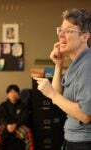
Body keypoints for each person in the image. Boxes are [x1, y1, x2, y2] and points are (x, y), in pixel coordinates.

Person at [34, 9, 91, 150]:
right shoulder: (76, 63)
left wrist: (51, 94)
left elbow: (85, 115)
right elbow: (58, 97)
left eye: (69, 31)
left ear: (85, 37)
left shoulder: (88, 65)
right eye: (61, 29)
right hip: (72, 138)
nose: (61, 35)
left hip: (84, 142)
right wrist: (58, 65)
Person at [0, 84, 34, 150]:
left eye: (15, 92)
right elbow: (0, 117)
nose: (13, 94)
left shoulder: (23, 105)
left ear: (18, 94)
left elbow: (25, 118)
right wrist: (7, 124)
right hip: (6, 125)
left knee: (28, 132)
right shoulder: (3, 105)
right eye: (11, 92)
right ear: (8, 94)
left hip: (19, 126)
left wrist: (16, 124)